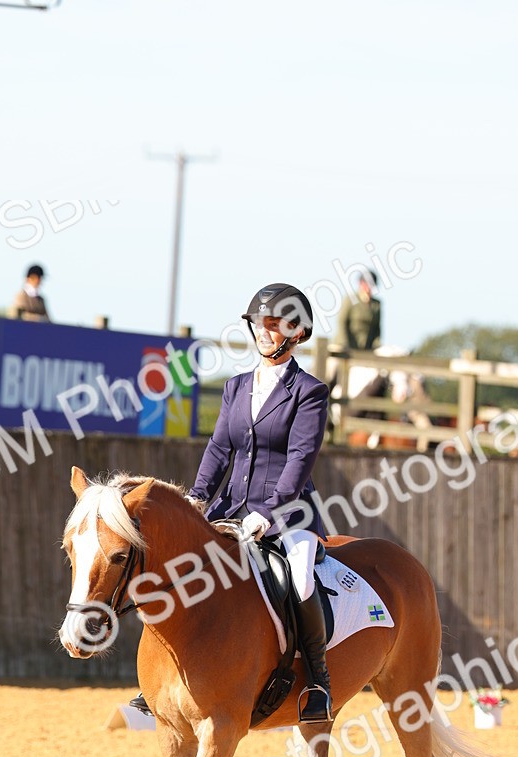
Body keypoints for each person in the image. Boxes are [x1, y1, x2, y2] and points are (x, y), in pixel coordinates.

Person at [131, 282, 333, 723]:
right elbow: (220, 447)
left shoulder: (310, 392)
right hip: (230, 507)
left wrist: (268, 512)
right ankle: (161, 680)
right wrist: (198, 497)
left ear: (295, 332)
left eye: (274, 324)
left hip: (289, 513)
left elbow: (300, 459)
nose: (264, 331)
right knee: (177, 566)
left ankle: (318, 681)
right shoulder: (237, 386)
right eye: (259, 323)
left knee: (298, 579)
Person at [334, 268, 382, 351]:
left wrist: (376, 346)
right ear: (361, 283)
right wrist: (345, 343)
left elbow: (377, 328)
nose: (369, 288)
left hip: (366, 348)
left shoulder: (376, 304)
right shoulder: (350, 299)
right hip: (346, 346)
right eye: (367, 284)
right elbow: (342, 321)